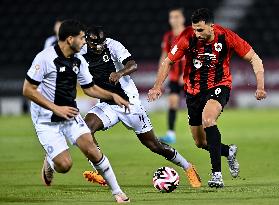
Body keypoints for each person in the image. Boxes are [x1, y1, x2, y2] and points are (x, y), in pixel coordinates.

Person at [148, 8, 266, 188]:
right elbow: (168, 61)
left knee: (208, 119)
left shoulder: (226, 36)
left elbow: (255, 58)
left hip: (219, 86)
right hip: (193, 91)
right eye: (195, 29)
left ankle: (216, 175)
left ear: (212, 26)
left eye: (200, 30)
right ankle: (228, 151)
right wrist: (157, 86)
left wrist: (260, 86)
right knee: (200, 142)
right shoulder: (188, 36)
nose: (197, 33)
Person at [23, 19, 131, 203]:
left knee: (92, 149)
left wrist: (113, 96)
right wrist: (56, 108)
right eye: (81, 38)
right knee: (65, 165)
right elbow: (28, 90)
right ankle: (51, 160)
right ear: (70, 39)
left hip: (70, 114)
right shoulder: (45, 58)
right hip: (46, 119)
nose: (84, 42)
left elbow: (89, 88)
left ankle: (118, 193)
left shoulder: (79, 60)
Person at [79, 26, 201, 188]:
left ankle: (188, 167)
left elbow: (133, 65)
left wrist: (120, 73)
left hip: (129, 103)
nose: (100, 46)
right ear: (87, 42)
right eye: (96, 44)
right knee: (85, 130)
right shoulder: (80, 54)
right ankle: (102, 173)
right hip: (107, 104)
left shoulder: (112, 45)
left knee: (154, 145)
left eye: (102, 43)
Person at [158, 7, 186, 144]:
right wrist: (160, 76)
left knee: (198, 105)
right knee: (172, 102)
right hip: (175, 77)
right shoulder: (168, 36)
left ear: (182, 19)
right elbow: (164, 57)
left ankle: (205, 130)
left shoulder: (191, 34)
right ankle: (171, 135)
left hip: (191, 76)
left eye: (176, 17)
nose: (173, 20)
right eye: (171, 17)